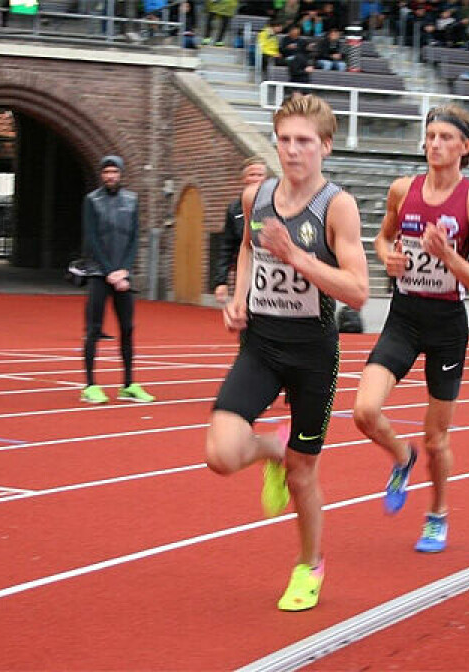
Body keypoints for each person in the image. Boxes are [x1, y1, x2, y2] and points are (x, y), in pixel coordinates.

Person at [205, 94, 369, 612]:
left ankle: (309, 564)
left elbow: (357, 291)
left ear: (324, 146)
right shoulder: (259, 196)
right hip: (261, 344)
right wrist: (237, 299)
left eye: (303, 141)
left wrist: (296, 255)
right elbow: (250, 247)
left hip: (312, 354)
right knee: (221, 454)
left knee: (304, 474)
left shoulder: (336, 206)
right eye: (284, 140)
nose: (292, 150)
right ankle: (270, 450)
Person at [352, 104, 469, 554]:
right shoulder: (402, 189)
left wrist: (449, 256)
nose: (434, 144)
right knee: (364, 411)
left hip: (447, 325)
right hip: (405, 314)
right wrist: (385, 256)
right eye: (430, 136)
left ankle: (437, 516)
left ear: (465, 147)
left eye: (445, 138)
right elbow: (381, 236)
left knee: (437, 440)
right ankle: (401, 455)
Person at [79, 155, 155, 404]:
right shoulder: (92, 200)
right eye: (106, 172)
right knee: (93, 329)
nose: (110, 176)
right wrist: (110, 271)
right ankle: (90, 385)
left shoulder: (132, 201)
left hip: (122, 274)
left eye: (114, 172)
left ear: (121, 174)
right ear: (102, 175)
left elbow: (134, 238)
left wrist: (124, 270)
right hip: (99, 273)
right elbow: (91, 238)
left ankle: (129, 384)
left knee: (127, 329)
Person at [212, 157, 270, 303]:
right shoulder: (234, 209)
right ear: (244, 179)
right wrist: (221, 282)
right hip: (247, 273)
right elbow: (226, 247)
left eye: (260, 175)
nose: (256, 179)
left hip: (272, 273)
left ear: (266, 178)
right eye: (252, 175)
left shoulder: (278, 204)